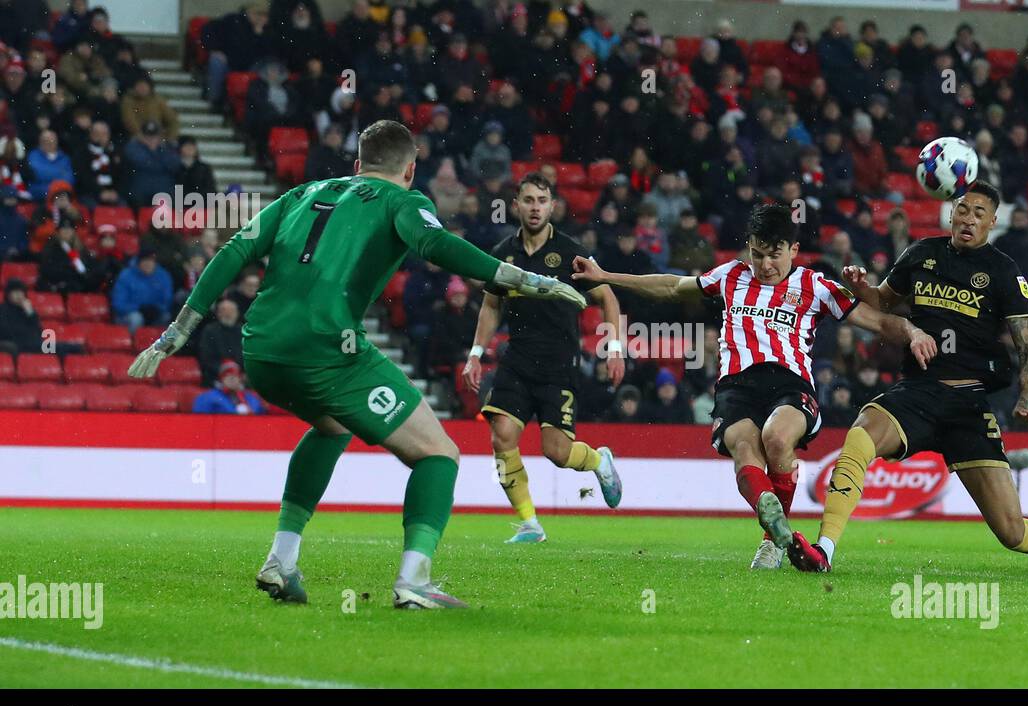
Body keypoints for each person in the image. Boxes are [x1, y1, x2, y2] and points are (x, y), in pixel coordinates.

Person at [126, 120, 585, 610]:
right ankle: (414, 581)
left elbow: (235, 250)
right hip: (327, 346)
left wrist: (176, 332)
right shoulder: (404, 202)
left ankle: (282, 560)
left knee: (330, 427)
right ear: (410, 169)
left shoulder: (303, 193)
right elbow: (436, 246)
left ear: (358, 164)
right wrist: (527, 280)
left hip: (260, 348)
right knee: (438, 454)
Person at [573, 203, 935, 570]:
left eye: (774, 255)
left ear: (793, 250)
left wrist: (913, 330)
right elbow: (671, 286)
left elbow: (877, 322)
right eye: (757, 254)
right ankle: (778, 529)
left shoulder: (816, 286)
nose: (764, 266)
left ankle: (772, 542)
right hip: (736, 386)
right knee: (746, 450)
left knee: (777, 439)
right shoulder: (730, 275)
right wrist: (605, 275)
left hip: (790, 384)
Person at [792, 182, 1028, 573]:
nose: (969, 218)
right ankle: (824, 549)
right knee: (859, 436)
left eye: (979, 213)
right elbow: (884, 302)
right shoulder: (921, 253)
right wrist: (862, 288)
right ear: (952, 213)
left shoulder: (1003, 271)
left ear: (992, 222)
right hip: (918, 393)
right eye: (963, 209)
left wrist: (1025, 401)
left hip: (968, 405)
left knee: (1011, 532)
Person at [462, 172, 626, 544]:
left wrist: (614, 348)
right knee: (501, 435)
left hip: (559, 364)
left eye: (542, 201)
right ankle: (530, 523)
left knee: (556, 452)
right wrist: (475, 354)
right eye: (528, 200)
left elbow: (608, 299)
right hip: (517, 359)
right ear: (515, 205)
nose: (535, 208)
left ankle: (600, 461)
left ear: (552, 207)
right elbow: (491, 305)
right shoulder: (503, 253)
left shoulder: (571, 252)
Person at [193, 359, 267, 415]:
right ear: (221, 379)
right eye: (227, 376)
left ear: (240, 379)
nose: (231, 379)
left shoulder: (252, 398)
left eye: (234, 376)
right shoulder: (208, 398)